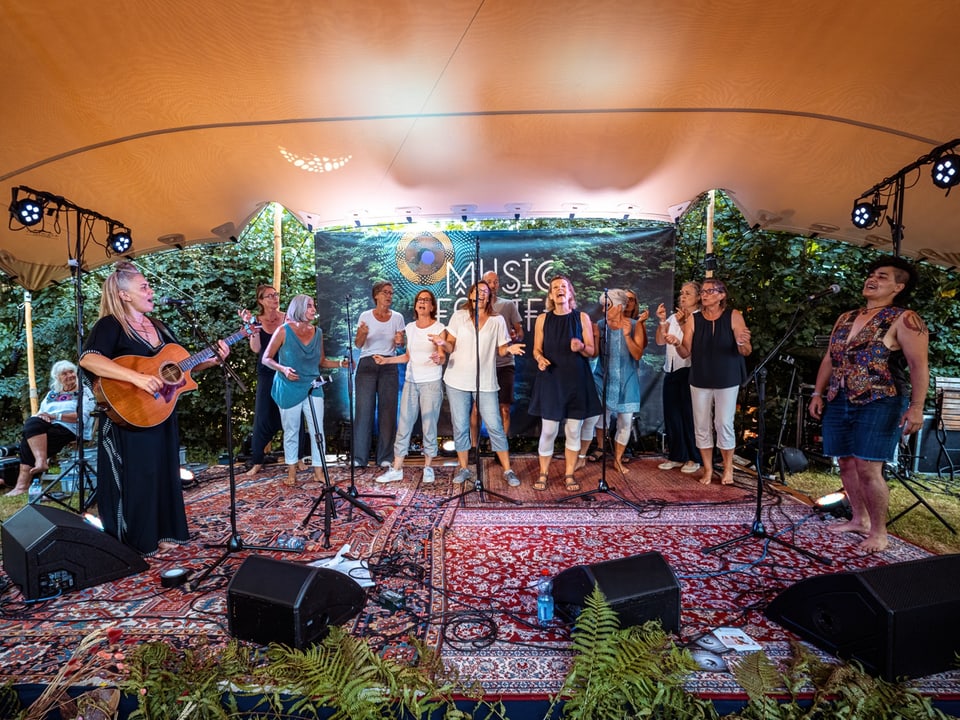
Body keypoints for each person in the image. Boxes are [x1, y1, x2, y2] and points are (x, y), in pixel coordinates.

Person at [79, 261, 230, 555]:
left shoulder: (160, 327)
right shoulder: (110, 325)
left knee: (163, 471)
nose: (151, 291)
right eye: (144, 287)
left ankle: (166, 533)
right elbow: (89, 359)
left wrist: (212, 359)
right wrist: (136, 376)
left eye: (149, 286)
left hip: (160, 410)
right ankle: (137, 542)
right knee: (138, 475)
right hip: (127, 413)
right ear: (124, 295)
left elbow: (180, 366)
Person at [808, 256, 929, 554]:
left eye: (883, 276)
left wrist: (916, 407)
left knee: (868, 467)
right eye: (872, 274)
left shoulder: (905, 318)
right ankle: (858, 519)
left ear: (899, 287)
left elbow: (918, 365)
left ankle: (879, 532)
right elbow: (829, 358)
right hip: (840, 397)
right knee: (846, 462)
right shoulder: (846, 317)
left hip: (880, 400)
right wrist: (817, 393)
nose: (872, 279)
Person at [433, 280, 525, 487]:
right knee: (460, 425)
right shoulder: (459, 316)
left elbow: (501, 349)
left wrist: (509, 349)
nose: (481, 294)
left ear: (490, 296)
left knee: (494, 425)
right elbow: (450, 346)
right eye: (477, 291)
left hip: (485, 381)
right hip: (456, 379)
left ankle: (507, 469)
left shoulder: (497, 320)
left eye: (485, 291)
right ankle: (464, 468)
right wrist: (441, 343)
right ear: (471, 295)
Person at [262, 294, 350, 487]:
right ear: (299, 308)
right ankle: (291, 471)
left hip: (313, 386)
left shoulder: (317, 332)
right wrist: (283, 369)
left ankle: (319, 471)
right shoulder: (283, 331)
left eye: (314, 306)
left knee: (318, 430)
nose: (313, 309)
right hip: (288, 387)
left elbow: (322, 362)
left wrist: (341, 364)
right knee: (292, 430)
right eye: (309, 306)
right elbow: (266, 358)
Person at [528, 275, 602, 492]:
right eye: (555, 288)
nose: (559, 290)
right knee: (549, 430)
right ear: (551, 295)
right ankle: (544, 473)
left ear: (570, 293)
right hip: (551, 379)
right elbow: (536, 350)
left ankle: (569, 475)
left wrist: (580, 347)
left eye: (563, 287)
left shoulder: (582, 318)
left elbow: (592, 351)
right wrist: (540, 359)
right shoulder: (543, 319)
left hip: (576, 381)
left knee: (573, 430)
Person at [676, 277, 751, 486]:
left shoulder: (733, 316)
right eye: (703, 292)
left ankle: (728, 468)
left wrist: (742, 343)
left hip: (727, 378)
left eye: (710, 291)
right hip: (699, 378)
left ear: (722, 295)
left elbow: (746, 350)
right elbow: (685, 352)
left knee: (723, 423)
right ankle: (708, 469)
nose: (705, 295)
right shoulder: (694, 318)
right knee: (701, 425)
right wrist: (675, 343)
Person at [374, 290, 446, 484]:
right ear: (415, 305)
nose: (422, 303)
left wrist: (439, 358)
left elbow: (443, 355)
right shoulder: (410, 327)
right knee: (404, 424)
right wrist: (386, 361)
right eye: (420, 300)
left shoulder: (439, 327)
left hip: (431, 382)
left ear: (432, 306)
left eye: (427, 300)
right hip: (411, 382)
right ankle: (397, 468)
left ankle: (428, 466)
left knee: (429, 425)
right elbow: (407, 356)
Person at [5, 360, 94, 496]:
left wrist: (55, 416)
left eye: (71, 372)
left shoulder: (84, 391)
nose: (69, 375)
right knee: (32, 422)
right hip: (47, 427)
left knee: (28, 441)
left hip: (71, 429)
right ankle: (40, 462)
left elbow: (82, 416)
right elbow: (42, 413)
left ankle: (22, 485)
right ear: (57, 378)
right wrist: (44, 416)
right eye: (64, 374)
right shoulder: (52, 394)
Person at [589, 288, 647, 474]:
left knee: (625, 421)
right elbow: (595, 354)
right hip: (603, 378)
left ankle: (618, 459)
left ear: (620, 306)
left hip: (627, 380)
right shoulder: (600, 324)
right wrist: (596, 336)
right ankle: (600, 448)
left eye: (608, 305)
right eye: (603, 305)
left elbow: (637, 354)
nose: (604, 309)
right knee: (600, 419)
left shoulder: (634, 324)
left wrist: (626, 335)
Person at [352, 281, 405, 468]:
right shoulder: (365, 316)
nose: (389, 296)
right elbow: (358, 344)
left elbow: (401, 344)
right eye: (385, 292)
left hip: (388, 365)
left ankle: (385, 457)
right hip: (367, 363)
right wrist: (363, 333)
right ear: (376, 295)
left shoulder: (397, 317)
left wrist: (400, 341)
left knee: (388, 411)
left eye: (391, 293)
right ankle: (359, 458)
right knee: (364, 411)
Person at [470, 271, 524, 444]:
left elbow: (520, 333)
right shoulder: (473, 309)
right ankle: (473, 446)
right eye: (488, 282)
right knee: (477, 409)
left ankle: (501, 448)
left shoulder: (508, 305)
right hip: (482, 365)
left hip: (504, 363)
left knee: (504, 408)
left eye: (495, 282)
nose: (492, 285)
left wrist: (515, 336)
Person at [655, 282, 702, 474]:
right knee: (672, 415)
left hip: (690, 370)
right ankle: (676, 455)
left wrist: (683, 324)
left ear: (698, 297)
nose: (682, 297)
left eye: (688, 294)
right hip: (671, 369)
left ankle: (694, 457)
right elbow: (660, 340)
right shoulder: (674, 317)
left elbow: (694, 346)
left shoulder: (700, 318)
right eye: (681, 293)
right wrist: (662, 321)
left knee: (689, 416)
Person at [242, 284, 284, 476]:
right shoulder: (256, 321)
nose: (274, 299)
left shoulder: (286, 318)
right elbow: (256, 348)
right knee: (262, 413)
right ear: (261, 301)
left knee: (293, 413)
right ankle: (257, 460)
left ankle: (298, 457)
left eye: (275, 295)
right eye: (269, 296)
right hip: (267, 370)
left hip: (286, 369)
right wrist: (253, 330)